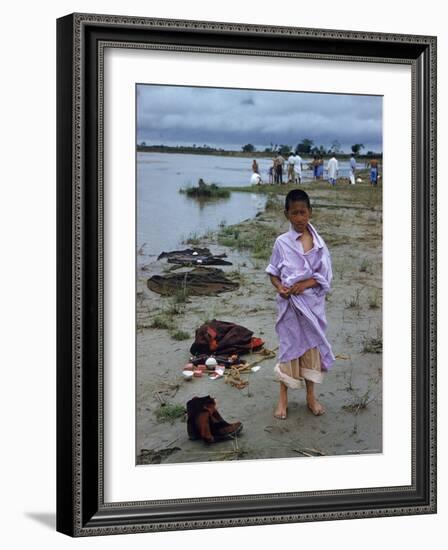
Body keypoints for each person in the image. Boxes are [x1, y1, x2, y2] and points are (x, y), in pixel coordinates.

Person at [266, 189, 334, 419]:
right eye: (294, 213)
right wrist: (280, 288)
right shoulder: (281, 243)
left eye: (303, 213)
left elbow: (324, 276)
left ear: (310, 213)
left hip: (311, 307)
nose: (299, 218)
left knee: (311, 350)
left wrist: (305, 284)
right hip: (290, 309)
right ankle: (283, 400)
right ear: (287, 214)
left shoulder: (319, 245)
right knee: (288, 350)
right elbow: (273, 273)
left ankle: (311, 398)